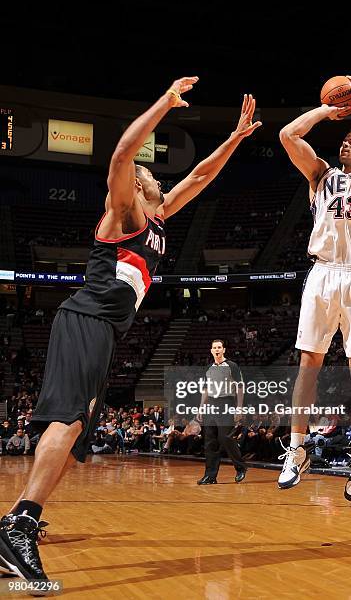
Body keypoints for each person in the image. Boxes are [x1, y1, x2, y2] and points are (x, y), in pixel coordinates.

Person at [0, 79, 261, 581]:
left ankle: (12, 523)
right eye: (152, 174)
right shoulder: (123, 212)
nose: (162, 178)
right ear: (140, 185)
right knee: (70, 420)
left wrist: (234, 138)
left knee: (76, 440)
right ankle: (20, 525)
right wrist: (164, 102)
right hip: (87, 319)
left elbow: (201, 175)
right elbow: (122, 154)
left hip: (105, 331)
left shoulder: (159, 219)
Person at [278, 75, 351, 501]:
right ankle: (297, 448)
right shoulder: (321, 176)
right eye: (342, 141)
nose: (345, 145)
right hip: (323, 273)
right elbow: (288, 134)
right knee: (308, 363)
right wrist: (328, 110)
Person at [196, 339, 247, 484]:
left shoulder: (232, 366)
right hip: (211, 404)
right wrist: (201, 407)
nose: (217, 349)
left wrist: (239, 407)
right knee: (210, 441)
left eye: (219, 347)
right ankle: (210, 476)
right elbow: (205, 390)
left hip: (226, 402)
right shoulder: (209, 368)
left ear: (224, 350)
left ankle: (240, 467)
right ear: (211, 350)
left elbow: (240, 386)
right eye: (214, 347)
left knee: (226, 438)